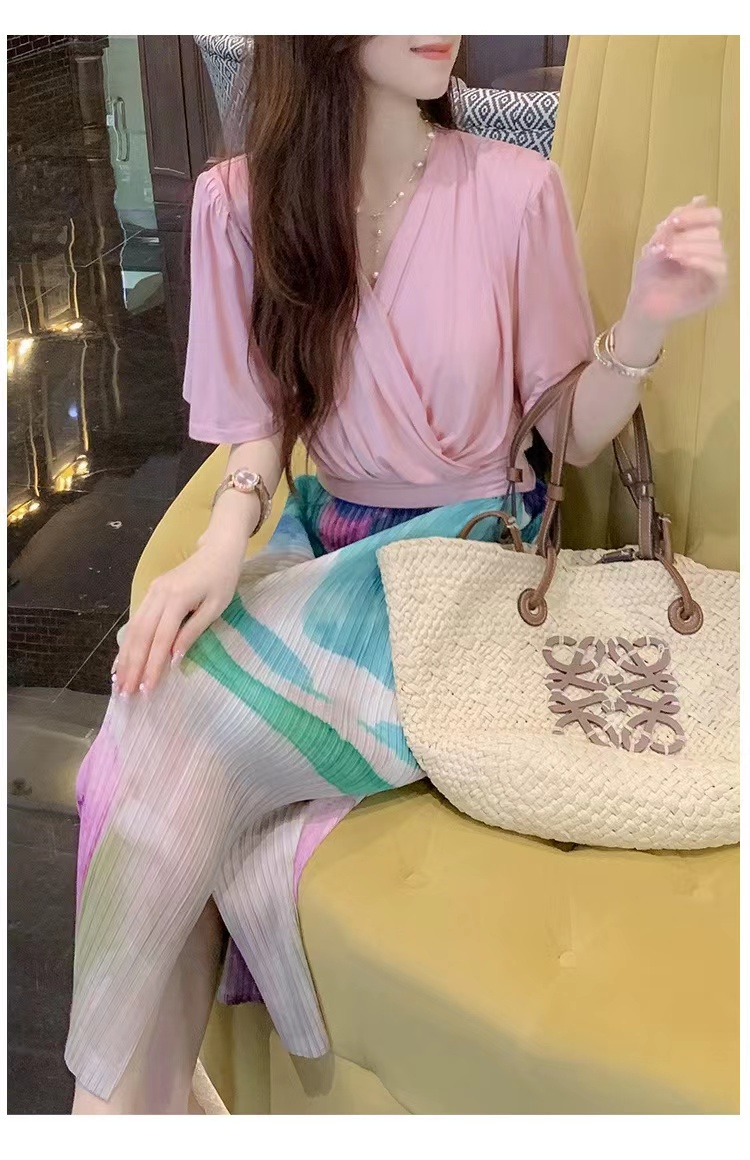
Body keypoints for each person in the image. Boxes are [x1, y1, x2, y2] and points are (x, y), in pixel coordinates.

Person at [65, 35, 728, 1114]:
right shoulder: (238, 204)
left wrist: (644, 322)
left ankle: (116, 1113)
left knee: (180, 724)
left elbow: (567, 433)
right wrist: (223, 546)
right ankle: (149, 1104)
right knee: (148, 710)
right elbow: (256, 426)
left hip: (470, 565)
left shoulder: (515, 191)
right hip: (323, 547)